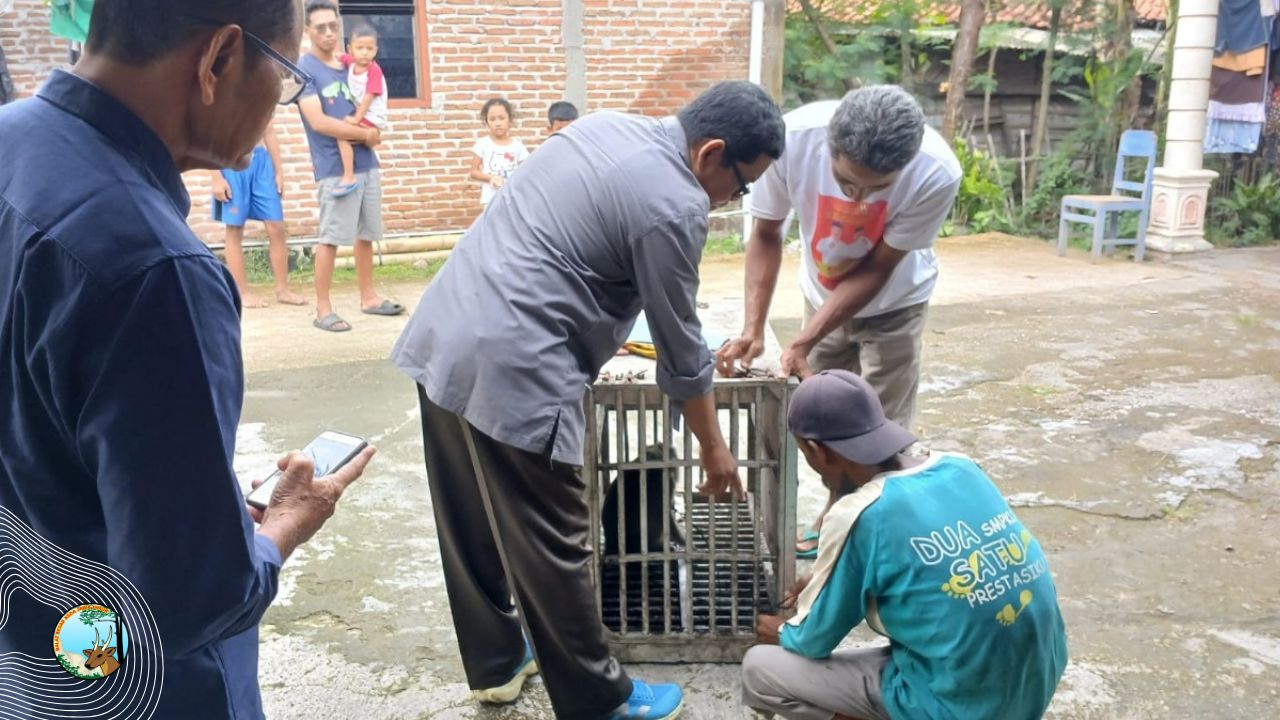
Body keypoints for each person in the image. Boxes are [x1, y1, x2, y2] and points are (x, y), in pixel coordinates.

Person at [0, 2, 376, 718]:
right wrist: (281, 527)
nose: (283, 103)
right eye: (288, 73)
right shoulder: (154, 269)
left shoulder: (10, 142)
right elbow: (191, 596)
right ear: (219, 61)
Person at [392, 81, 786, 720]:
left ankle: (497, 663)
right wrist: (714, 450)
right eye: (741, 185)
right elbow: (682, 345)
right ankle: (598, 701)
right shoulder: (675, 202)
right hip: (519, 360)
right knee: (555, 538)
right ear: (711, 152)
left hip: (446, 328)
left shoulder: (604, 126)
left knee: (469, 519)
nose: (733, 200)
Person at [715, 85, 962, 559]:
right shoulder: (793, 141)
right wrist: (753, 328)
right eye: (847, 182)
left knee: (881, 431)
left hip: (896, 304)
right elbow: (767, 232)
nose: (860, 197)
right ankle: (838, 511)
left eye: (877, 188)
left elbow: (878, 268)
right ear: (831, 145)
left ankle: (856, 532)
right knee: (819, 421)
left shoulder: (936, 171)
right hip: (822, 294)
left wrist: (803, 340)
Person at [742, 370, 1067, 720]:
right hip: (1036, 678)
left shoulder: (862, 511)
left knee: (760, 669)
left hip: (962, 705)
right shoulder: (961, 467)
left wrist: (769, 627)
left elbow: (811, 639)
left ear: (815, 449)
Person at [297, 0, 403, 332]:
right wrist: (366, 135)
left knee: (366, 234)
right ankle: (323, 308)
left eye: (333, 26)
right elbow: (319, 122)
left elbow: (373, 99)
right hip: (333, 167)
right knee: (330, 237)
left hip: (367, 162)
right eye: (320, 27)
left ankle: (368, 297)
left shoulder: (353, 62)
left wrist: (372, 136)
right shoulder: (305, 69)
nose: (328, 33)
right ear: (307, 31)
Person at [211, 117, 308, 308]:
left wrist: (279, 172)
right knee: (234, 229)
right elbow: (208, 133)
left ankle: (282, 290)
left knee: (276, 226)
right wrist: (216, 177)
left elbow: (269, 129)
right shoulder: (220, 89)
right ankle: (242, 292)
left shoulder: (260, 88)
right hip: (230, 160)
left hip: (261, 161)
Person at [332, 23, 387, 197]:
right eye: (360, 48)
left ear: (376, 50)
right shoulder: (351, 63)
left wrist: (356, 119)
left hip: (372, 116)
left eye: (369, 48)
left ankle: (349, 176)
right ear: (350, 49)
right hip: (364, 116)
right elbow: (340, 56)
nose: (365, 52)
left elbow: (368, 97)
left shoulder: (374, 71)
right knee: (349, 136)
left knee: (342, 134)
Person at [469, 96, 529, 207]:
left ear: (510, 120)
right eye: (492, 119)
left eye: (502, 118)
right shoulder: (483, 144)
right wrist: (491, 178)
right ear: (486, 122)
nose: (497, 123)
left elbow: (526, 170)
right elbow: (473, 172)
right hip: (490, 199)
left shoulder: (518, 146)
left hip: (512, 198)